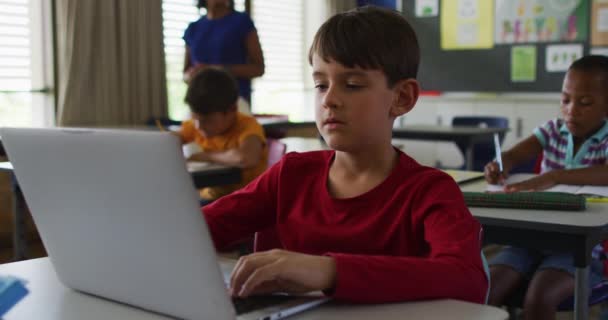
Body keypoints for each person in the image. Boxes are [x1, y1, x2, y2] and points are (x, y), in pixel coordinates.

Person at [202, 6, 488, 304]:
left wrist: (329, 271)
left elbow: (468, 279)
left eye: (352, 85)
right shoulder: (291, 175)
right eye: (320, 84)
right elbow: (195, 230)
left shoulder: (428, 191)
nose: (329, 99)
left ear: (402, 98)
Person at [484, 55, 608, 320]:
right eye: (565, 100)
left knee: (540, 296)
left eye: (585, 102)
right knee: (487, 288)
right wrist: (499, 164)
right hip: (530, 239)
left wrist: (555, 176)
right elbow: (514, 155)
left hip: (579, 249)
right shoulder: (553, 130)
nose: (572, 110)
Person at [177, 68, 268, 202]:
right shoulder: (197, 125)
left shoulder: (248, 126)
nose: (199, 126)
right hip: (212, 198)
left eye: (207, 121)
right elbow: (168, 142)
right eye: (195, 119)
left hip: (245, 201)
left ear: (232, 110)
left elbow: (246, 158)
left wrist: (205, 157)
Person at [183, 0, 264, 105]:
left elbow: (258, 68)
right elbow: (185, 74)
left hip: (233, 103)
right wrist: (192, 75)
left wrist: (216, 70)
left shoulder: (242, 22)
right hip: (200, 103)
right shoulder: (193, 29)